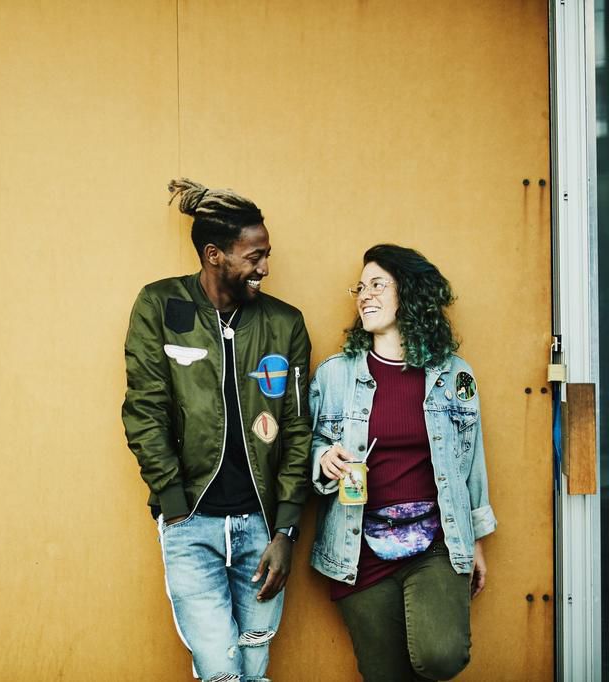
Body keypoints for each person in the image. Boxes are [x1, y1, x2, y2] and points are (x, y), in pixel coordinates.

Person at [122, 178, 312, 682]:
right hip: (191, 525)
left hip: (263, 528)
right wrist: (174, 503)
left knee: (253, 664)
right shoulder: (161, 307)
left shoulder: (284, 322)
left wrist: (286, 527)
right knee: (219, 669)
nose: (265, 268)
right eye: (255, 256)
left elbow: (296, 426)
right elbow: (145, 409)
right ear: (214, 255)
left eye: (267, 254)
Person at [309, 244, 496, 682]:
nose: (364, 295)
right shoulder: (336, 373)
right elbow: (310, 441)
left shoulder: (455, 375)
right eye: (361, 286)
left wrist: (476, 541)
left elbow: (472, 461)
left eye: (378, 284)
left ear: (409, 293)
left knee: (441, 656)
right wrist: (324, 457)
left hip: (435, 542)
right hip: (358, 547)